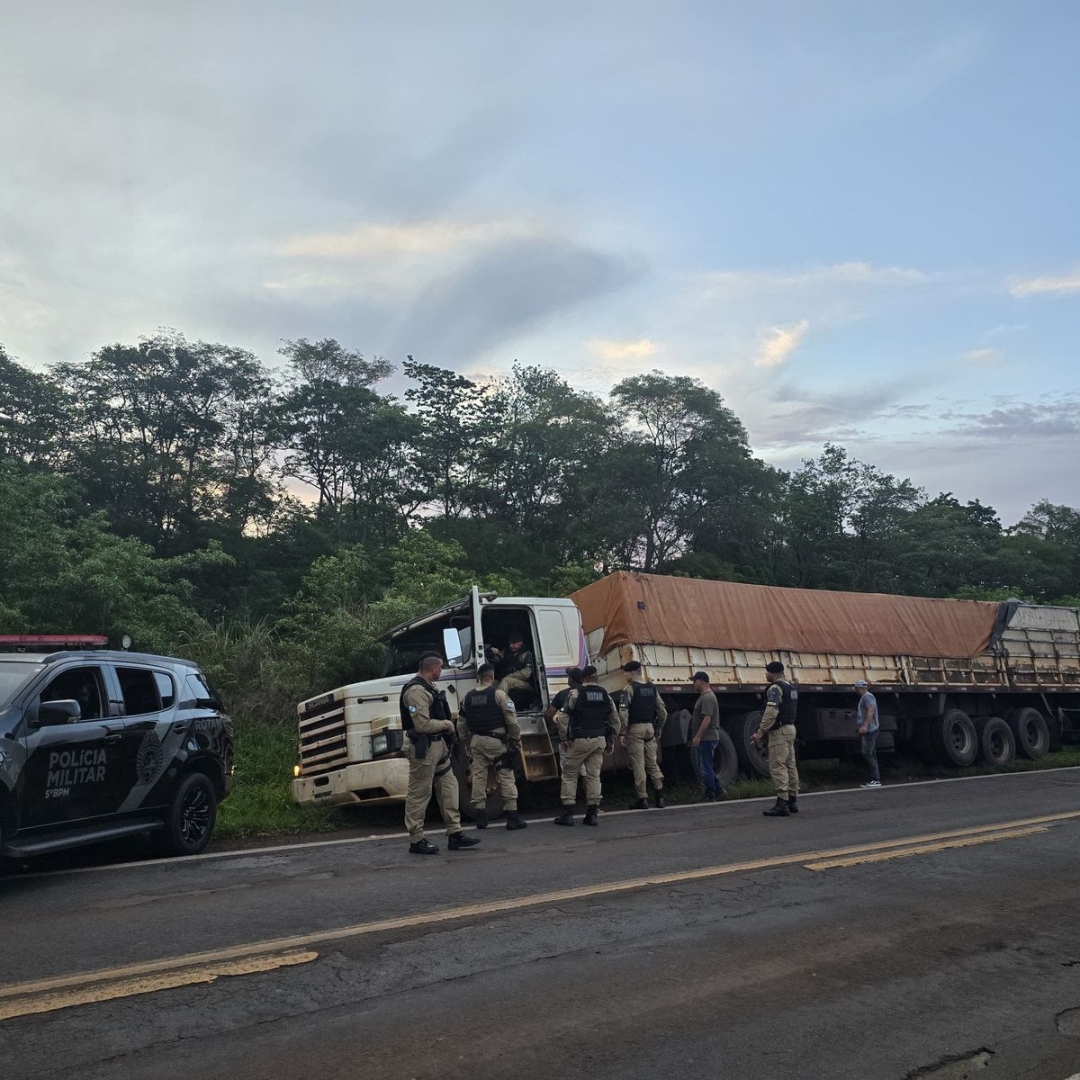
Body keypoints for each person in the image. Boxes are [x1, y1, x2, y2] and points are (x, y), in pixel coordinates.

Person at [399, 651, 481, 855]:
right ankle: (416, 839)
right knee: (420, 792)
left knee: (449, 787)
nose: (442, 671)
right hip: (423, 746)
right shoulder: (416, 691)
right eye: (441, 667)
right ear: (433, 668)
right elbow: (422, 724)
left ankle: (455, 833)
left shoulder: (429, 688)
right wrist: (446, 724)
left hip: (438, 745)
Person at [458, 663, 528, 830]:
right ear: (492, 676)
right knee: (506, 776)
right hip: (497, 742)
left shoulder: (467, 698)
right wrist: (517, 738)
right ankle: (512, 817)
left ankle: (481, 817)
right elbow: (511, 721)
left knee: (479, 777)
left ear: (479, 678)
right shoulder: (499, 695)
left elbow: (461, 724)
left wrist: (467, 742)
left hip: (477, 742)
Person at [553, 665, 619, 826]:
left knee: (569, 775)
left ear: (584, 678)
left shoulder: (575, 693)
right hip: (599, 740)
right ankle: (592, 814)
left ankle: (567, 814)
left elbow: (562, 718)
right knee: (593, 776)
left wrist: (564, 738)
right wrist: (611, 741)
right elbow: (615, 721)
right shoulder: (606, 695)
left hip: (579, 740)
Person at [751, 660, 800, 817]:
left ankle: (782, 803)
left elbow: (771, 712)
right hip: (790, 728)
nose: (765, 674)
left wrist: (760, 732)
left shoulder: (775, 688)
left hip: (779, 731)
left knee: (778, 766)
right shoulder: (791, 687)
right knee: (790, 765)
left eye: (767, 672)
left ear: (773, 673)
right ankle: (792, 800)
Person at [619, 660, 668, 809]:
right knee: (652, 763)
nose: (624, 675)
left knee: (638, 765)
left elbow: (623, 712)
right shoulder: (652, 688)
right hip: (650, 729)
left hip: (635, 729)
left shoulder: (629, 689)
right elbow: (662, 712)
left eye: (626, 672)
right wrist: (658, 728)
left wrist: (622, 732)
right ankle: (660, 798)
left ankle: (643, 799)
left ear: (633, 672)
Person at [690, 671, 724, 802]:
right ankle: (718, 790)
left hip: (707, 737)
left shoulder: (707, 697)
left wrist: (698, 736)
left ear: (701, 681)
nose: (693, 683)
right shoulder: (705, 696)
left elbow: (707, 719)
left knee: (705, 767)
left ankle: (711, 794)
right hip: (707, 737)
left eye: (695, 681)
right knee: (707, 765)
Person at [855, 679, 881, 788]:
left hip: (870, 730)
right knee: (871, 753)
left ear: (861, 688)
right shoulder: (865, 697)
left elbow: (871, 711)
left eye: (856, 688)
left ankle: (875, 779)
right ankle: (874, 778)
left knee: (867, 753)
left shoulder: (868, 697)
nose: (856, 691)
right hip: (869, 729)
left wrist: (865, 726)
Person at [491, 632, 534, 699]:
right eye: (510, 643)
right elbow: (498, 659)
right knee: (492, 683)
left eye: (513, 643)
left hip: (525, 683)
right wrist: (494, 653)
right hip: (508, 679)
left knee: (506, 681)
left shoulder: (526, 653)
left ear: (520, 642)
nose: (511, 645)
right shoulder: (507, 651)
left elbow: (526, 674)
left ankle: (500, 704)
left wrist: (511, 675)